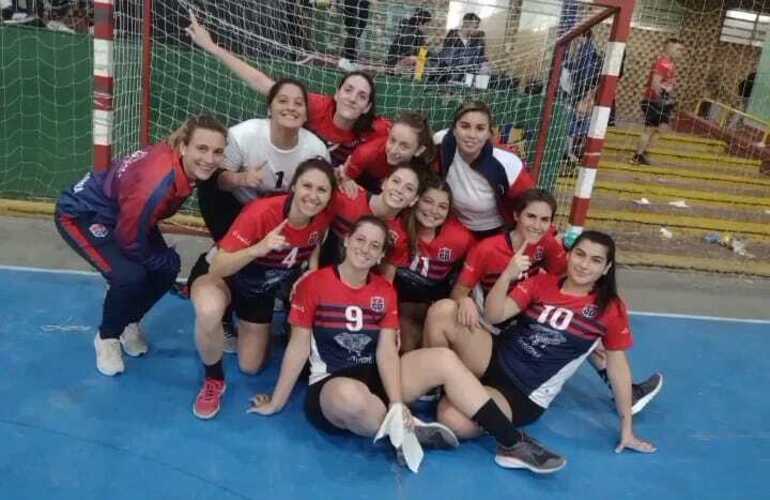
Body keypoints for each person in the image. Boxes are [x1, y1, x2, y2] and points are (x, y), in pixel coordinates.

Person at [425, 231, 657, 470]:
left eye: (596, 260)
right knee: (444, 311)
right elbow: (494, 316)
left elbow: (617, 369)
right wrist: (507, 275)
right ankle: (445, 386)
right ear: (569, 255)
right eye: (580, 254)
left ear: (606, 268)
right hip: (495, 357)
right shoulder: (543, 282)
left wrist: (627, 428)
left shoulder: (609, 309)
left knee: (452, 419)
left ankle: (461, 388)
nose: (584, 264)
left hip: (524, 394)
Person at [425, 189, 663, 414]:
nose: (536, 225)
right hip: (495, 319)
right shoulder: (488, 248)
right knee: (444, 311)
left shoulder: (548, 245)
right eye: (531, 216)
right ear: (517, 215)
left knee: (584, 326)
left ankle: (625, 391)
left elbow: (571, 282)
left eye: (544, 219)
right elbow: (459, 291)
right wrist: (463, 301)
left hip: (527, 319)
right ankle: (437, 383)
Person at [248, 216, 452, 444]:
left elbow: (386, 352)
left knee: (444, 360)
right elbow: (298, 348)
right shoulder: (314, 283)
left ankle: (401, 424)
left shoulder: (384, 290)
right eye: (360, 239)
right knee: (350, 397)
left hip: (373, 380)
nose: (365, 249)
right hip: (331, 385)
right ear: (346, 240)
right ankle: (406, 431)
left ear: (381, 255)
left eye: (375, 246)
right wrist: (276, 402)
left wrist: (397, 401)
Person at [54, 115, 228, 376]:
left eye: (217, 152)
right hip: (84, 213)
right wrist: (159, 260)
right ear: (183, 146)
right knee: (130, 276)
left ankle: (128, 322)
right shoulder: (156, 185)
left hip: (125, 212)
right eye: (202, 149)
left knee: (167, 271)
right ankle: (107, 337)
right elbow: (129, 239)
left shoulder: (182, 164)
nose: (210, 158)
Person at [187, 79, 330, 352]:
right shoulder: (245, 134)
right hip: (239, 208)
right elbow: (215, 177)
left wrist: (313, 268)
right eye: (283, 101)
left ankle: (279, 292)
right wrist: (242, 178)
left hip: (282, 216)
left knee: (251, 363)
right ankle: (212, 267)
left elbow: (319, 210)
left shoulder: (315, 149)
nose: (291, 107)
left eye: (298, 103)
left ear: (306, 113)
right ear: (270, 108)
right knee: (212, 192)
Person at [190, 159, 337, 419]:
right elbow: (219, 267)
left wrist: (312, 269)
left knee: (251, 366)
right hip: (225, 275)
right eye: (307, 186)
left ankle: (250, 325)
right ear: (293, 186)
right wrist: (258, 248)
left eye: (322, 190)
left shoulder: (323, 217)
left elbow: (315, 242)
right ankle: (213, 379)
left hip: (260, 287)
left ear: (329, 196)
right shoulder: (262, 213)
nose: (313, 196)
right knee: (209, 309)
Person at [186, 11, 389, 167]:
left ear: (366, 107)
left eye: (361, 96)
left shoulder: (375, 130)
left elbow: (410, 136)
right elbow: (261, 82)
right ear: (336, 94)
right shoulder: (314, 106)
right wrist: (212, 48)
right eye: (348, 90)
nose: (352, 98)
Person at [396, 175, 475, 352]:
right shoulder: (398, 226)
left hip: (433, 308)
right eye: (428, 201)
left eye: (442, 207)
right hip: (398, 306)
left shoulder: (460, 238)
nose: (433, 211)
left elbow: (477, 266)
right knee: (406, 340)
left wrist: (466, 298)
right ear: (416, 200)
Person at [434, 101, 535, 237]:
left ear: (489, 133)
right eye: (465, 126)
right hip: (455, 224)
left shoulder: (508, 164)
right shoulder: (442, 143)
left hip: (497, 231)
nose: (471, 135)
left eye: (480, 128)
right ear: (454, 129)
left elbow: (534, 204)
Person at [323, 164, 424, 279]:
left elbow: (386, 280)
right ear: (384, 183)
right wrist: (338, 174)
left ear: (414, 200)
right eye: (396, 181)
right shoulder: (349, 197)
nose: (399, 190)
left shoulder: (401, 237)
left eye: (409, 188)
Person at [339, 111, 434, 194]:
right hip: (361, 168)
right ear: (389, 132)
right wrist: (347, 179)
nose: (393, 150)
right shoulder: (366, 154)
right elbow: (346, 178)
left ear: (419, 150)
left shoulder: (422, 165)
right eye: (392, 140)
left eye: (404, 146)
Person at [632, 38, 684, 166]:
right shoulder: (662, 63)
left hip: (662, 101)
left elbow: (667, 84)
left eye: (681, 50)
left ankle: (643, 153)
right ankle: (638, 156)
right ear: (668, 48)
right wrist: (663, 100)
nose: (680, 52)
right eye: (677, 49)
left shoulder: (670, 64)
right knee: (649, 129)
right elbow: (655, 83)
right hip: (655, 101)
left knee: (662, 128)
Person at [435, 13, 488, 85]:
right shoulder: (453, 37)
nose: (477, 29)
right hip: (449, 77)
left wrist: (484, 64)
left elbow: (479, 57)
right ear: (467, 24)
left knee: (485, 71)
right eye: (475, 27)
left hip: (467, 77)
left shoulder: (475, 41)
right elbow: (447, 59)